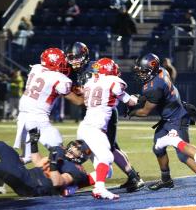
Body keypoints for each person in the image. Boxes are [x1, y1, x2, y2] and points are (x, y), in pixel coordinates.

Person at [128, 53, 196, 195]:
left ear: (151, 70)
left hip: (177, 119)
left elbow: (145, 112)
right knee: (158, 147)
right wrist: (142, 97)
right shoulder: (162, 71)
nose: (141, 74)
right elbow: (157, 94)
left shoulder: (153, 86)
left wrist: (132, 112)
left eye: (143, 71)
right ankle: (166, 180)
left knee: (183, 155)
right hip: (168, 117)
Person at [65, 42, 144, 193]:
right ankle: (129, 176)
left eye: (77, 57)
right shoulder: (74, 72)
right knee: (106, 147)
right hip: (91, 112)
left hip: (104, 111)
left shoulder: (96, 67)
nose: (74, 61)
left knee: (109, 148)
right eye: (71, 58)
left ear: (85, 55)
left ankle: (131, 176)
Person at [0, 134, 94, 210]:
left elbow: (58, 182)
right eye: (73, 146)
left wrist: (54, 165)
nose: (72, 149)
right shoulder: (60, 154)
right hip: (27, 174)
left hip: (33, 187)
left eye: (77, 149)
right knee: (1, 146)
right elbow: (38, 163)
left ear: (82, 156)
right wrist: (34, 143)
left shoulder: (76, 170)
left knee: (0, 167)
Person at [77, 58, 138, 200]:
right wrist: (136, 98)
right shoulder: (113, 82)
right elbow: (130, 102)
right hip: (95, 130)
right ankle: (99, 189)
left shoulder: (90, 82)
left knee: (106, 171)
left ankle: (72, 186)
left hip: (86, 127)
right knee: (107, 156)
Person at [14, 48, 84, 163]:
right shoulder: (59, 78)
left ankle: (1, 173)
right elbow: (78, 101)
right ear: (53, 62)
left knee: (27, 157)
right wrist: (87, 95)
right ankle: (63, 177)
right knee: (60, 151)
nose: (64, 65)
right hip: (38, 119)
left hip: (23, 117)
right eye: (61, 63)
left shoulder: (36, 69)